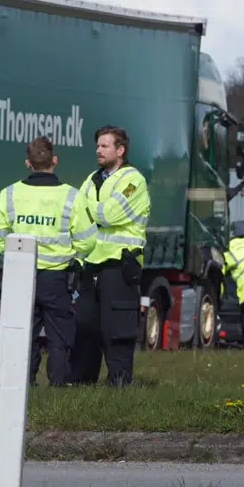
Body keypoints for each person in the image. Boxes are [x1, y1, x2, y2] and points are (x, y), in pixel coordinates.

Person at [0, 135, 94, 387]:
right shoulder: (72, 196)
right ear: (54, 160)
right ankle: (57, 384)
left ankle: (24, 383)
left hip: (21, 275)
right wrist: (73, 256)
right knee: (59, 335)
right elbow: (88, 241)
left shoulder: (9, 194)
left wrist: (13, 253)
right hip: (56, 278)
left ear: (28, 163)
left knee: (24, 333)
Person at [72, 125, 151, 387]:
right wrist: (90, 209)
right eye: (97, 146)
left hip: (119, 265)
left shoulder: (132, 181)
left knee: (117, 330)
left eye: (104, 146)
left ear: (120, 150)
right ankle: (83, 384)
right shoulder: (92, 179)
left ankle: (118, 385)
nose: (98, 150)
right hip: (91, 265)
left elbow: (110, 214)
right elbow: (76, 213)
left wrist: (88, 208)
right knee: (85, 328)